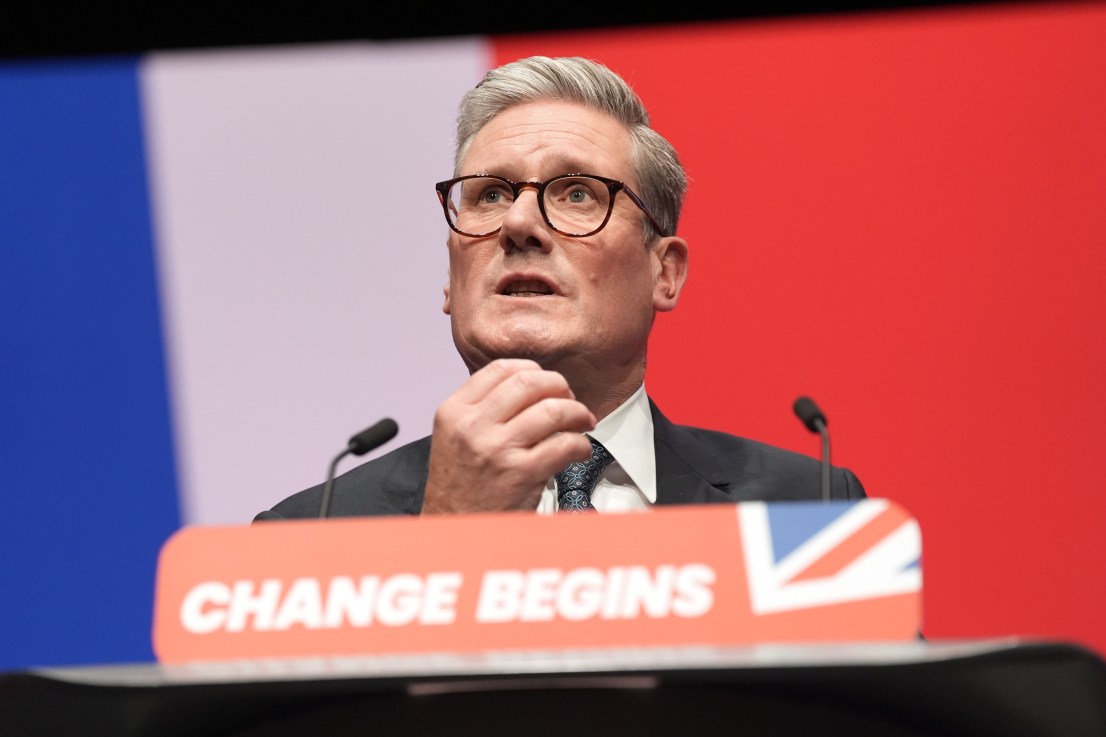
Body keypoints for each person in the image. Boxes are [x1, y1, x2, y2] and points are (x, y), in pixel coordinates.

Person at [255, 55, 865, 522]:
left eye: (577, 194)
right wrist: (450, 537)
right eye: (490, 195)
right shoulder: (312, 532)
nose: (519, 224)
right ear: (450, 276)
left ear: (665, 272)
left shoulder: (804, 507)